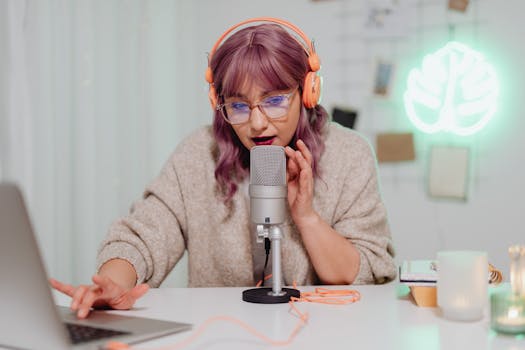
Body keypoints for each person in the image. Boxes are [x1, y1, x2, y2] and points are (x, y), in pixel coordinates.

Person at [51, 17, 396, 319]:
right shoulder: (200, 153)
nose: (258, 123)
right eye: (239, 106)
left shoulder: (349, 154)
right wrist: (114, 284)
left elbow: (365, 271)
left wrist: (306, 216)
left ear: (307, 92)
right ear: (220, 105)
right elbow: (143, 235)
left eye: (275, 101)